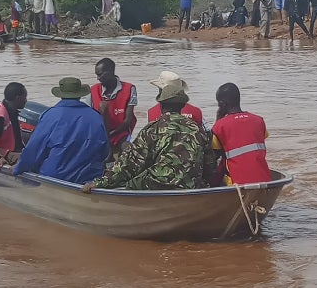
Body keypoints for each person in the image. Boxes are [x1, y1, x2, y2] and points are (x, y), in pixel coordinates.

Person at [82, 82, 215, 192]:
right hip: (191, 186)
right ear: (182, 105)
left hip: (157, 185)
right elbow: (210, 166)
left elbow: (130, 164)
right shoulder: (198, 129)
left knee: (129, 182)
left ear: (161, 105)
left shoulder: (153, 129)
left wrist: (102, 182)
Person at [12, 77, 109, 183]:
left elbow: (33, 149)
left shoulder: (50, 116)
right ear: (80, 95)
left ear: (61, 94)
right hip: (89, 177)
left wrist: (18, 169)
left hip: (56, 177)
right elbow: (104, 152)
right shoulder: (96, 117)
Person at [212, 83, 271, 186]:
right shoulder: (259, 120)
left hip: (237, 183)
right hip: (265, 179)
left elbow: (214, 156)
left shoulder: (219, 126)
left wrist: (218, 120)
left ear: (223, 104)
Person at [90, 58, 138, 158]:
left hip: (120, 136)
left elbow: (128, 120)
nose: (98, 78)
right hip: (100, 137)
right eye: (96, 75)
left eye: (100, 74)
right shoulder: (93, 90)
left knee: (128, 153)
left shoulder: (129, 89)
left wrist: (111, 134)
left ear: (110, 72)